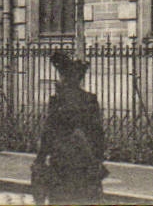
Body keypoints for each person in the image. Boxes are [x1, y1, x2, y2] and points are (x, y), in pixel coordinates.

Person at [31, 51, 105, 205]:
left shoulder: (58, 100)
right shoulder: (90, 99)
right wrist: (97, 160)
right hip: (86, 164)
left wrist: (40, 159)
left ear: (64, 79)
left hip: (62, 165)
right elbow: (98, 135)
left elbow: (48, 133)